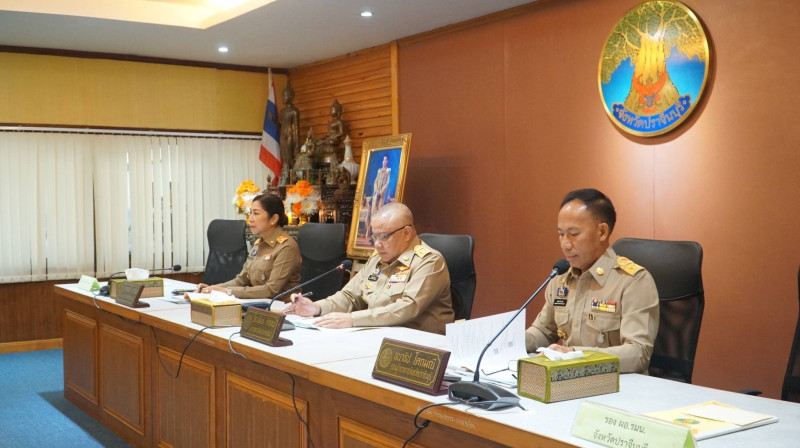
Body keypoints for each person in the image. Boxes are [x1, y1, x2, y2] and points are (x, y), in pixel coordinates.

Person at [525, 189, 659, 374]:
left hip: (617, 385)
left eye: (573, 234)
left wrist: (575, 355)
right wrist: (506, 341)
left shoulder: (633, 281)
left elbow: (638, 353)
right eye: (561, 234)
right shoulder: (560, 279)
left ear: (602, 232)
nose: (565, 244)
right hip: (568, 380)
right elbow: (542, 332)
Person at [283, 202, 454, 334]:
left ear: (407, 233)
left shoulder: (429, 262)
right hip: (377, 336)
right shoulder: (378, 258)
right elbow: (350, 296)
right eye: (374, 236)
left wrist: (352, 319)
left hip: (418, 346)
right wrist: (317, 308)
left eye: (384, 237)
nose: (377, 244)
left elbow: (407, 308)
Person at [196, 194, 301, 300]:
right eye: (250, 213)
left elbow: (270, 290)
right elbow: (241, 280)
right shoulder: (258, 244)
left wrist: (227, 291)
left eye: (256, 213)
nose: (250, 219)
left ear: (273, 219)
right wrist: (213, 288)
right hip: (258, 304)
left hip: (280, 306)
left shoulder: (286, 247)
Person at [277, 83, 299, 184]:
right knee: (285, 157)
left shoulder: (294, 111)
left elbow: (296, 128)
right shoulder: (282, 112)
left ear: (290, 97)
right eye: (282, 96)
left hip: (290, 136)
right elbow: (280, 124)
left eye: (285, 95)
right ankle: (286, 176)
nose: (283, 98)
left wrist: (297, 144)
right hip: (283, 136)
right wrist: (273, 121)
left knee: (290, 157)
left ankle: (295, 175)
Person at [367, 155, 391, 238]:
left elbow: (387, 183)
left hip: (382, 195)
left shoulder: (388, 170)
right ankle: (372, 231)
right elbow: (376, 181)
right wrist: (376, 190)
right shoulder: (379, 170)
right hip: (376, 194)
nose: (384, 161)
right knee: (374, 211)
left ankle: (379, 233)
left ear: (387, 161)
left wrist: (380, 192)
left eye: (385, 160)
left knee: (380, 210)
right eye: (383, 160)